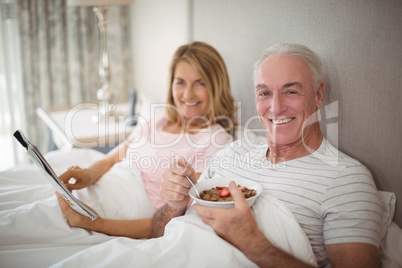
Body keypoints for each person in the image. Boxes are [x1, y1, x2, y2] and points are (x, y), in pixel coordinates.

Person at [151, 43, 383, 267]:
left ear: (319, 94)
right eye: (265, 93)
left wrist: (250, 241)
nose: (275, 107)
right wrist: (174, 206)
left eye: (291, 91)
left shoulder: (346, 180)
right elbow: (159, 237)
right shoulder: (233, 152)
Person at [56, 41, 237, 239]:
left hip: (107, 215)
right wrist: (88, 175)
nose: (187, 94)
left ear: (216, 87)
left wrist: (96, 223)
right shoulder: (158, 120)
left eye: (200, 83)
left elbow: (172, 222)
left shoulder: (216, 141)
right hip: (89, 194)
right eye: (180, 82)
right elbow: (111, 159)